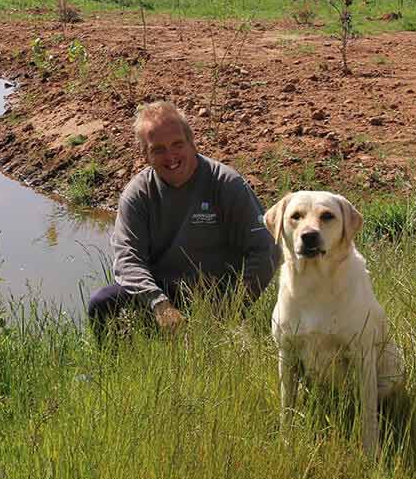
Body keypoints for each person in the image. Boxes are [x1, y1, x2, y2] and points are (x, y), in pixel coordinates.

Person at [87, 100, 278, 332]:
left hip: (216, 294)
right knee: (102, 304)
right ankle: (115, 366)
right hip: (161, 295)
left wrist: (232, 307)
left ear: (192, 143)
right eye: (158, 149)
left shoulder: (227, 184)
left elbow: (265, 248)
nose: (170, 156)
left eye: (177, 144)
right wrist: (158, 303)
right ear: (145, 155)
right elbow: (128, 260)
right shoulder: (137, 194)